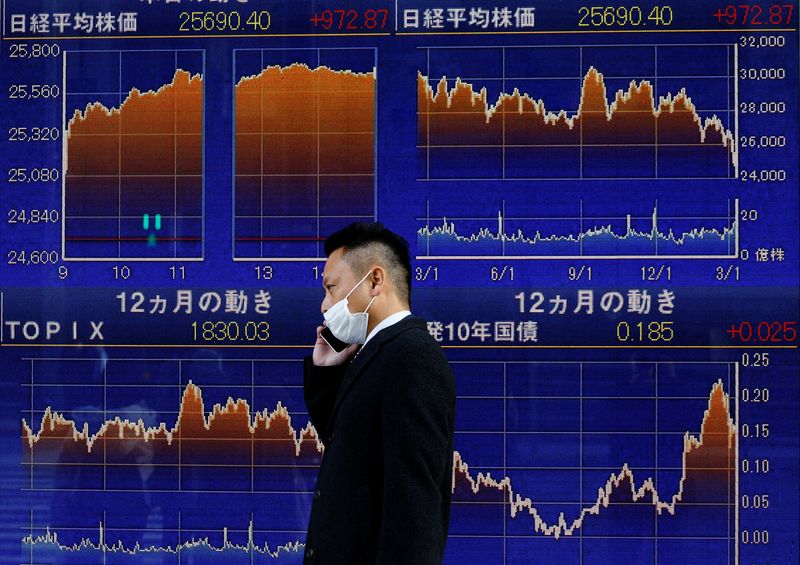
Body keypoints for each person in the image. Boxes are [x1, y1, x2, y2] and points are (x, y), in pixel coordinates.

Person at [302, 222, 456, 565]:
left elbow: (414, 509)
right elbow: (348, 449)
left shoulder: (411, 356)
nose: (325, 305)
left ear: (374, 280)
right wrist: (326, 372)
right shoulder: (377, 352)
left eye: (331, 287)